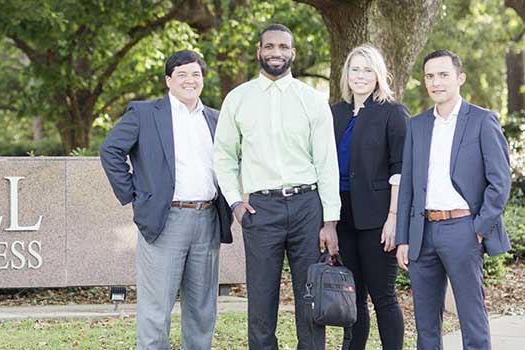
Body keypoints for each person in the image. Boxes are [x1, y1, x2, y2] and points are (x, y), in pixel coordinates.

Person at [213, 24, 340, 350]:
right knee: (261, 298)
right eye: (269, 46)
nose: (275, 53)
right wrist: (235, 205)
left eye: (283, 47)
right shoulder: (238, 99)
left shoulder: (311, 100)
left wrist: (330, 221)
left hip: (307, 207)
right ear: (259, 51)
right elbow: (223, 156)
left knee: (310, 296)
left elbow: (327, 163)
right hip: (260, 210)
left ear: (292, 53)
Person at [100, 50, 233, 350]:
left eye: (196, 74)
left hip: (208, 221)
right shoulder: (145, 114)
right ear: (168, 80)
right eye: (182, 74)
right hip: (164, 221)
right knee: (156, 311)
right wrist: (136, 195)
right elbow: (110, 150)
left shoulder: (215, 118)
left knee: (202, 311)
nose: (190, 80)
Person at [395, 50, 511, 350]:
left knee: (471, 318)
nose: (436, 82)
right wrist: (404, 239)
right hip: (422, 232)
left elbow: (500, 182)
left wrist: (479, 228)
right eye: (430, 76)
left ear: (460, 78)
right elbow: (407, 184)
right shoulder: (417, 125)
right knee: (425, 324)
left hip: (463, 228)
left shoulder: (483, 121)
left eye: (443, 74)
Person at [331, 45, 409, 350]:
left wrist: (393, 218)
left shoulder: (392, 112)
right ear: (346, 74)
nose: (360, 75)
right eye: (355, 69)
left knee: (383, 297)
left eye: (367, 69)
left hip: (378, 218)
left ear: (379, 75)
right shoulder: (334, 113)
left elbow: (400, 169)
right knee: (353, 298)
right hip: (341, 217)